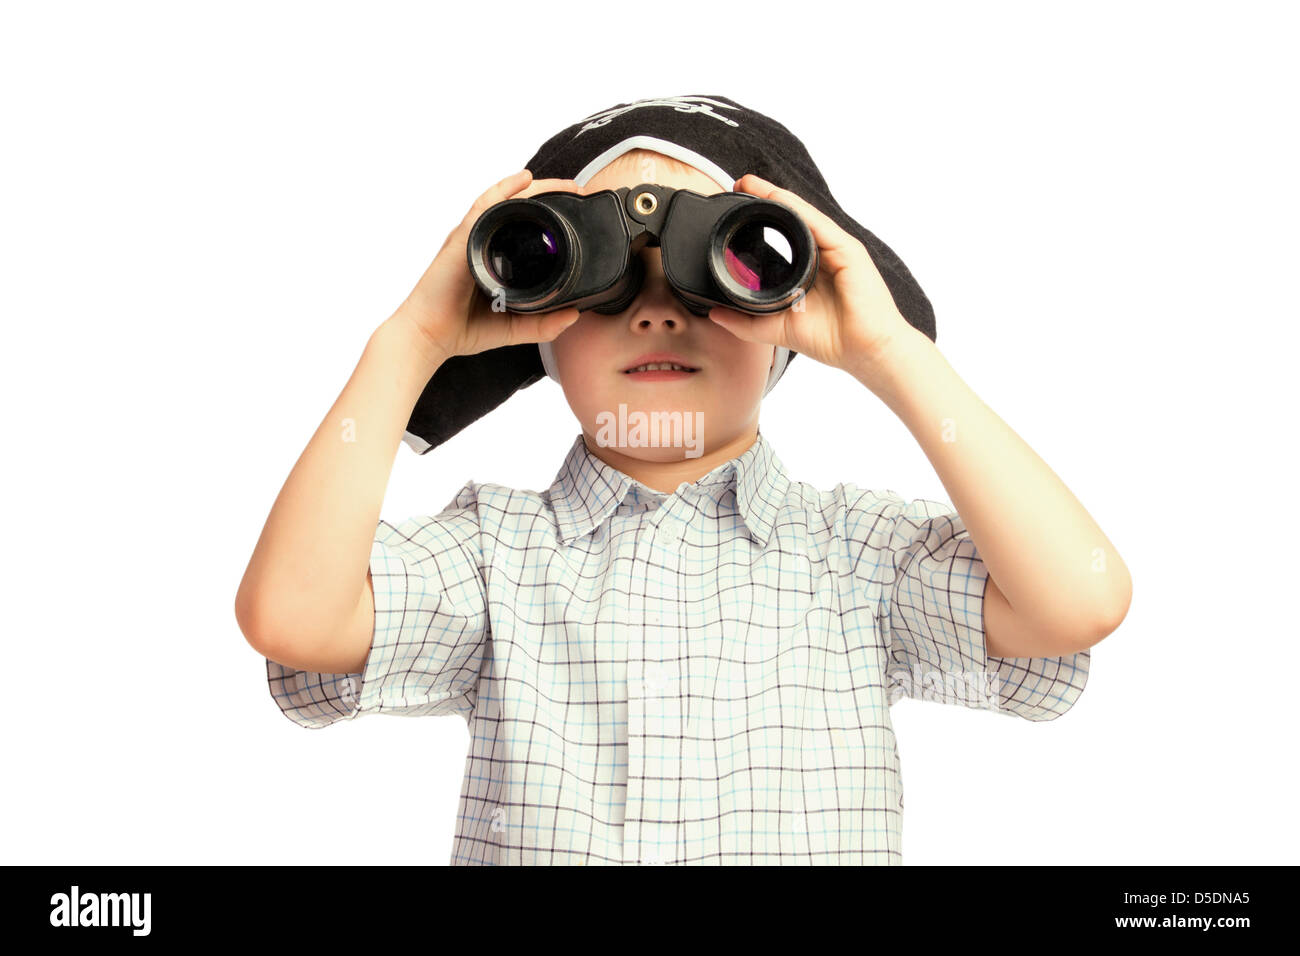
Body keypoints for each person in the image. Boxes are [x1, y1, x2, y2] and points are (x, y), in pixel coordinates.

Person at [234, 95, 1132, 865]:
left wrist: (890, 351)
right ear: (536, 325)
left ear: (787, 318)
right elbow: (295, 618)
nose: (659, 310)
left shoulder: (860, 560)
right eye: (607, 280)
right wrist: (408, 346)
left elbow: (1078, 599)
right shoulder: (491, 557)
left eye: (722, 272)